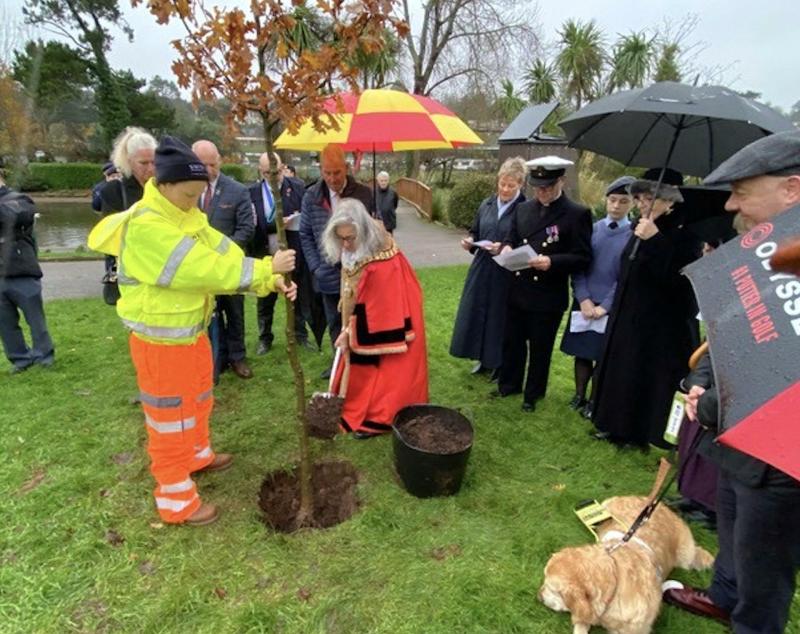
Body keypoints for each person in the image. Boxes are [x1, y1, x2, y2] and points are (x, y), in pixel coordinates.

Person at [88, 136, 297, 526]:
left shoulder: (184, 215)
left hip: (190, 335)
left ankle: (197, 455)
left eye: (199, 195)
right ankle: (176, 501)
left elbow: (223, 253)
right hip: (160, 345)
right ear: (163, 185)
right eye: (188, 194)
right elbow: (202, 269)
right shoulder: (148, 227)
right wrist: (268, 270)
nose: (194, 202)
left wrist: (268, 279)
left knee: (199, 400)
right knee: (169, 420)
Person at [663, 129, 800, 633]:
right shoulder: (760, 250)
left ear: (792, 189)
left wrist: (719, 398)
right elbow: (728, 329)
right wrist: (703, 380)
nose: (730, 203)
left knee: (766, 561)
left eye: (743, 190)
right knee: (733, 521)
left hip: (784, 455)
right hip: (736, 431)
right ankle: (724, 595)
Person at [591, 169, 702, 448]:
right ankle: (613, 424)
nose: (642, 203)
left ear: (670, 201)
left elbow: (681, 280)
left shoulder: (685, 232)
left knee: (643, 376)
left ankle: (637, 433)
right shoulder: (639, 225)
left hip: (659, 323)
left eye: (650, 197)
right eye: (640, 197)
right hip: (628, 313)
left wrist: (655, 241)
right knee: (621, 370)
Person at [495, 156, 592, 412]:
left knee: (540, 348)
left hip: (546, 293)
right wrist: (506, 247)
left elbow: (583, 257)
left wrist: (552, 261)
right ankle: (509, 384)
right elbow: (511, 237)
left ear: (560, 181)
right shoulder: (523, 209)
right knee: (512, 342)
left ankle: (533, 394)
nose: (542, 192)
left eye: (547, 187)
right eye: (537, 187)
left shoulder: (576, 214)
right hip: (517, 288)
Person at [324, 198, 428, 438]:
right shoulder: (350, 244)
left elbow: (379, 307)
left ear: (363, 231)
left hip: (390, 313)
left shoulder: (381, 259)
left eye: (350, 238)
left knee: (389, 370)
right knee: (357, 358)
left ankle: (380, 416)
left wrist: (350, 331)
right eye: (340, 238)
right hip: (361, 313)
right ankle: (361, 403)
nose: (346, 244)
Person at [560, 176, 635, 418]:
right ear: (606, 200)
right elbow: (578, 265)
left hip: (610, 307)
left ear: (632, 204)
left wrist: (605, 306)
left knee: (603, 357)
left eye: (623, 202)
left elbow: (625, 276)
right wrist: (583, 298)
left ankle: (595, 400)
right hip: (584, 301)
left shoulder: (634, 236)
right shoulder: (591, 230)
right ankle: (579, 395)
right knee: (582, 353)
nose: (616, 206)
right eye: (612, 200)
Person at [299, 144, 374, 377]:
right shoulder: (312, 196)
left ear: (347, 168)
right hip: (327, 271)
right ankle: (338, 364)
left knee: (360, 317)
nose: (332, 178)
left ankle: (361, 362)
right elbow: (305, 234)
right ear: (320, 170)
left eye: (337, 172)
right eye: (327, 173)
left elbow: (373, 231)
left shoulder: (363, 194)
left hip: (358, 269)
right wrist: (316, 267)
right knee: (334, 319)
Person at [450, 157, 527, 377]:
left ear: (520, 184)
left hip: (506, 271)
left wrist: (502, 247)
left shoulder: (524, 208)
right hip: (483, 267)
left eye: (511, 186)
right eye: (502, 184)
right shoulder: (487, 203)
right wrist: (470, 241)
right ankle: (481, 358)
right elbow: (476, 230)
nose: (505, 189)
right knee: (477, 312)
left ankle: (498, 362)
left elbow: (524, 240)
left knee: (499, 316)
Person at [192, 139, 256, 380]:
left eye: (212, 163)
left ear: (219, 160)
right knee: (207, 313)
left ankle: (238, 357)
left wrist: (224, 252)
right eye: (203, 164)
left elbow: (246, 229)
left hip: (230, 265)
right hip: (199, 267)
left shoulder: (237, 190)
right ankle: (214, 358)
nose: (209, 170)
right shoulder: (188, 192)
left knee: (234, 311)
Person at [249, 152, 315, 354]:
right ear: (261, 171)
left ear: (282, 167)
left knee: (296, 295)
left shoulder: (297, 187)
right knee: (265, 299)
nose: (273, 176)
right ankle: (265, 338)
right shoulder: (251, 192)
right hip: (265, 253)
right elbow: (250, 222)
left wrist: (293, 220)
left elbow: (307, 216)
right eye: (268, 172)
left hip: (292, 252)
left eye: (276, 172)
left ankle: (300, 335)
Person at [0, 171, 55, 373]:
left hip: (22, 269)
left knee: (35, 319)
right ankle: (20, 358)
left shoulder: (19, 199)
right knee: (5, 322)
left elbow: (16, 216)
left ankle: (44, 355)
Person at [97, 127, 157, 302]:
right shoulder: (114, 190)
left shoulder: (165, 187)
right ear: (129, 161)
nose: (151, 168)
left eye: (154, 162)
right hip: (132, 267)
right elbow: (110, 234)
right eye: (144, 163)